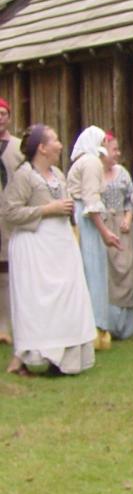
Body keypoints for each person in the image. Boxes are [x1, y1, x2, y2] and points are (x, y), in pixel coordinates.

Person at [3, 125, 96, 376]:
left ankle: (64, 358)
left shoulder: (57, 173)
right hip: (34, 247)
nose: (60, 144)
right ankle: (35, 357)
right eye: (55, 140)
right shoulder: (25, 175)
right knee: (39, 302)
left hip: (60, 245)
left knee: (67, 297)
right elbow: (9, 212)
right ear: (42, 148)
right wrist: (47, 210)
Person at [67, 126, 133, 342]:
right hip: (88, 221)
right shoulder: (91, 162)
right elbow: (91, 202)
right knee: (93, 271)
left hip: (86, 218)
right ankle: (96, 327)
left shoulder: (85, 162)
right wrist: (104, 231)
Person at [0, 98, 22, 345]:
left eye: (3, 113)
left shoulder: (18, 147)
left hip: (10, 217)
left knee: (8, 270)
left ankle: (7, 326)